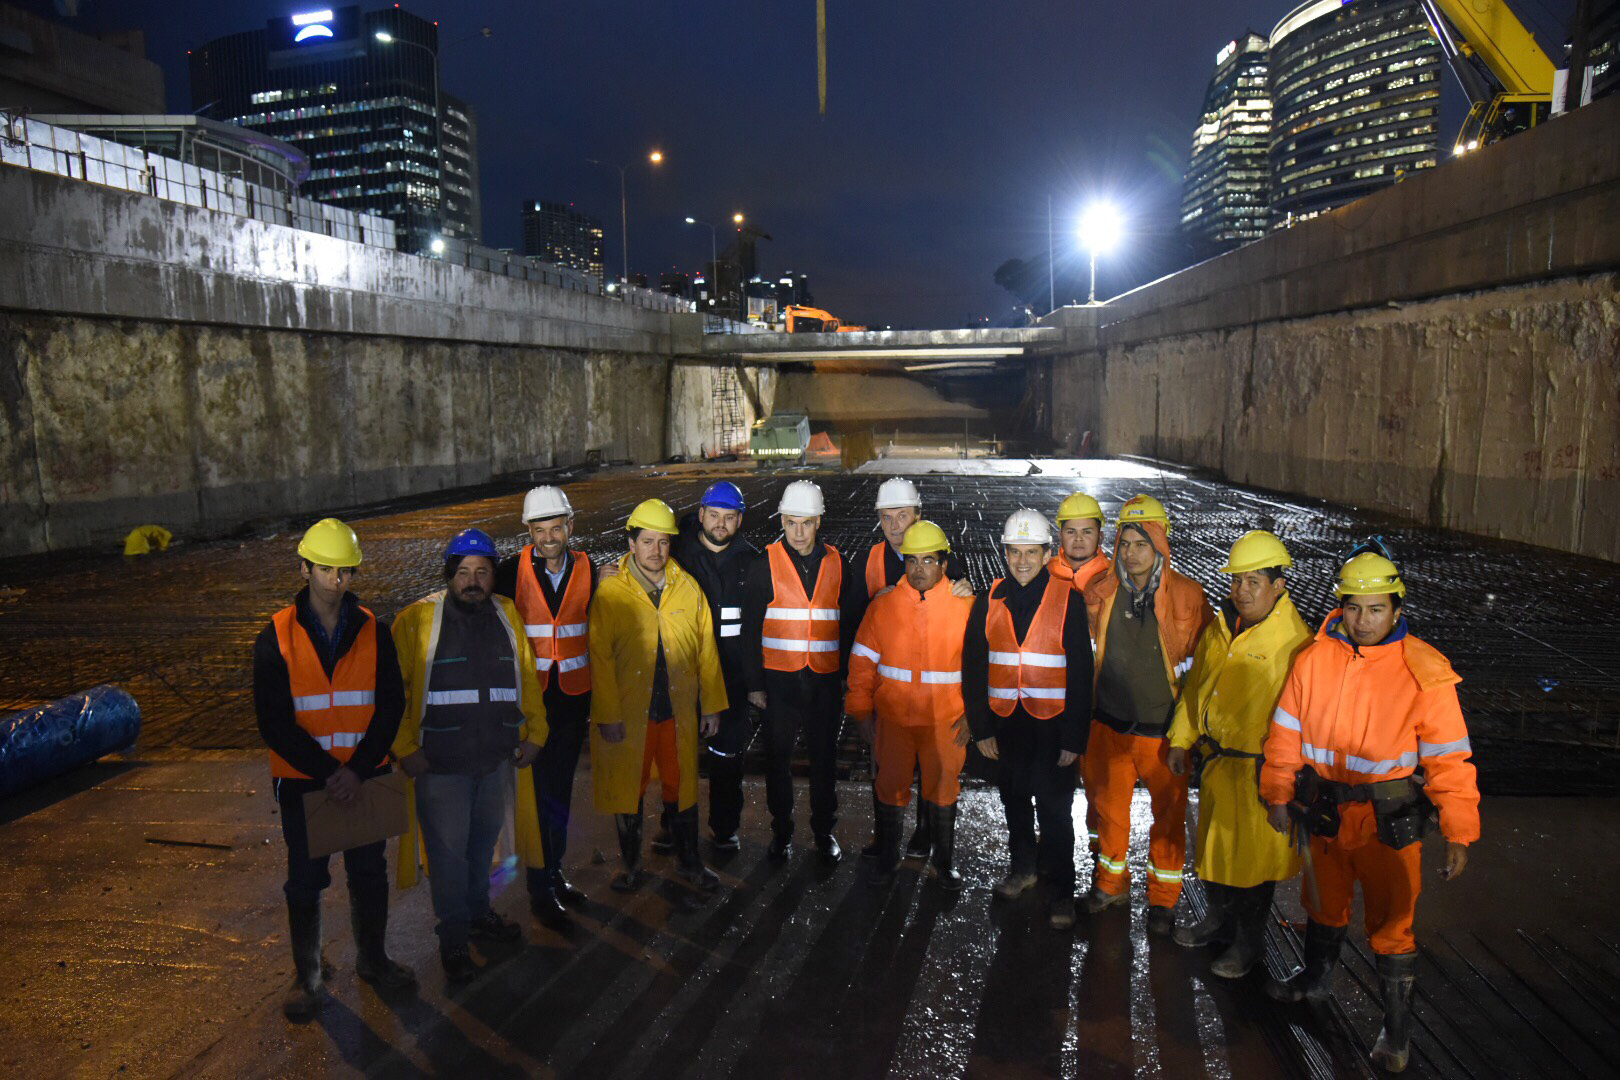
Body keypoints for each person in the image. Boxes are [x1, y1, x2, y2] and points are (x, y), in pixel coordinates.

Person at [1262, 549, 1479, 1073]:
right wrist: (1278, 793)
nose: (1363, 621)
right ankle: (1315, 980)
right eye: (1354, 608)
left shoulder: (1424, 671)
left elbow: (1449, 758)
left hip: (1388, 821)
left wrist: (1459, 831)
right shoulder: (1313, 659)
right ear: (1341, 606)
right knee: (1322, 903)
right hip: (1324, 812)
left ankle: (1396, 1029)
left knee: (1393, 923)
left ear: (1397, 609)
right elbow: (1285, 733)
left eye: (1376, 609)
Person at [253, 518, 416, 1019]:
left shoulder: (373, 630)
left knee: (369, 873)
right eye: (325, 569)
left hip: (362, 778)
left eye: (344, 570)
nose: (336, 579)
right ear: (304, 569)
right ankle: (308, 978)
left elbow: (391, 705)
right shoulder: (276, 635)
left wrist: (358, 769)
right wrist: (331, 771)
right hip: (306, 783)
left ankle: (373, 959)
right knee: (305, 882)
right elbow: (274, 721)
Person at [392, 528, 547, 984]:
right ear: (449, 576)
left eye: (481, 572)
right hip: (441, 767)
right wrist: (405, 748)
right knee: (448, 858)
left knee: (482, 848)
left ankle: (479, 913)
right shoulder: (417, 620)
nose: (473, 581)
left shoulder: (506, 614)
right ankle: (454, 938)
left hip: (495, 760)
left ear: (493, 576)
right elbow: (393, 692)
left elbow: (526, 675)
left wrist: (536, 734)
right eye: (463, 572)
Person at [1166, 531, 1311, 977]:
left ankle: (1248, 944)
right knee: (1215, 850)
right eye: (1236, 581)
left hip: (1258, 769)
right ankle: (1218, 922)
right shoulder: (1221, 627)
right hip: (1218, 764)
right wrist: (1181, 738)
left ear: (1278, 585)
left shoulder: (1296, 642)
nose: (1241, 591)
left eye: (1253, 582)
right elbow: (1196, 689)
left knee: (1254, 864)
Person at [1081, 495, 1213, 935]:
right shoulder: (1100, 591)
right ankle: (1110, 885)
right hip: (1109, 725)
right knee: (1108, 813)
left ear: (1160, 544)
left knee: (1169, 819)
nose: (1131, 553)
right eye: (1125, 543)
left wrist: (1187, 735)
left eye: (1142, 543)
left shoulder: (1189, 597)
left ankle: (1163, 900)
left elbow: (1203, 671)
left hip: (1163, 733)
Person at [589, 499, 729, 893]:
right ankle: (630, 865)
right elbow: (599, 658)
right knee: (627, 787)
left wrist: (712, 706)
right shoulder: (611, 591)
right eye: (647, 541)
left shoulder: (687, 588)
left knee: (680, 785)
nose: (656, 550)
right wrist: (608, 715)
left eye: (663, 542)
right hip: (630, 712)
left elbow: (706, 650)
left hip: (676, 711)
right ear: (631, 543)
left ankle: (689, 862)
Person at [963, 510, 1093, 928]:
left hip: (1053, 727)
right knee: (1014, 800)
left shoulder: (1068, 599)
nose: (1022, 561)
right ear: (1005, 553)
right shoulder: (989, 599)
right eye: (1015, 552)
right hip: (1007, 723)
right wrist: (981, 728)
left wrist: (1074, 738)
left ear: (1047, 553)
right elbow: (974, 666)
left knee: (1055, 811)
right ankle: (1023, 869)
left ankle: (1061, 892)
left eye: (1031, 552)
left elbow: (1081, 672)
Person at [846, 521, 976, 889]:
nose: (919, 569)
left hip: (947, 721)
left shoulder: (966, 607)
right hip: (894, 720)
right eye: (912, 560)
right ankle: (888, 855)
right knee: (890, 786)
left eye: (928, 560)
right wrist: (860, 712)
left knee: (944, 788)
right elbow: (862, 663)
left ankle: (943, 862)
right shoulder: (883, 606)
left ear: (944, 564)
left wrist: (975, 717)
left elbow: (983, 669)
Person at [742, 480, 864, 863]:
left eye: (806, 523)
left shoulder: (839, 564)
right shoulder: (764, 565)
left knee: (824, 760)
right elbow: (750, 629)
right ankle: (782, 832)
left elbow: (849, 624)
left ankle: (824, 832)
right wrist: (754, 685)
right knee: (777, 760)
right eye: (791, 523)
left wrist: (846, 675)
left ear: (818, 522)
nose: (798, 532)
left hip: (824, 683)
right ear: (782, 521)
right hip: (778, 684)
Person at [494, 485, 593, 928]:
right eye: (540, 530)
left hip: (571, 701)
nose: (549, 538)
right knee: (535, 798)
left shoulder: (591, 569)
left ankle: (554, 872)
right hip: (530, 706)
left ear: (570, 526)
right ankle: (540, 886)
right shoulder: (508, 573)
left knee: (559, 793)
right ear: (528, 532)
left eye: (556, 528)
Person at [671, 481, 760, 850]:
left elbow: (758, 627)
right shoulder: (677, 556)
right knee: (677, 756)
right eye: (714, 515)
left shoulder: (752, 563)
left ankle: (724, 828)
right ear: (701, 514)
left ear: (739, 520)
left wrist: (756, 681)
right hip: (684, 673)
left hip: (732, 680)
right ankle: (673, 827)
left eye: (729, 517)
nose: (720, 524)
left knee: (727, 756)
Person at [1049, 492, 1112, 857]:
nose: (1078, 540)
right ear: (1059, 534)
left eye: (1087, 531)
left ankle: (1100, 853)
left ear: (1100, 535)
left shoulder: (1115, 580)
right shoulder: (1042, 575)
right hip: (1054, 700)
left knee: (1101, 788)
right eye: (1070, 531)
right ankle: (1055, 853)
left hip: (1101, 701)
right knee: (1053, 786)